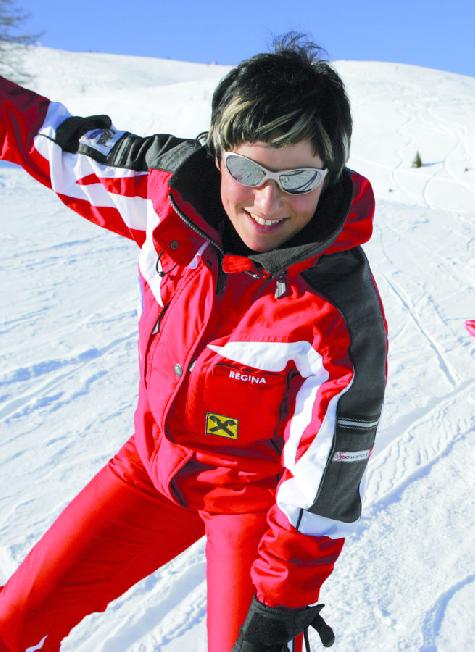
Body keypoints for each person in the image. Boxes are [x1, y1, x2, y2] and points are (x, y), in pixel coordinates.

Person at [0, 33, 387, 652]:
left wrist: (279, 604)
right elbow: (48, 137)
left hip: (247, 502)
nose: (268, 202)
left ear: (331, 172)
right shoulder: (169, 196)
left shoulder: (336, 312)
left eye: (299, 178)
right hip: (150, 469)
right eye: (248, 170)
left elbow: (325, 481)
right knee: (13, 619)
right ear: (217, 157)